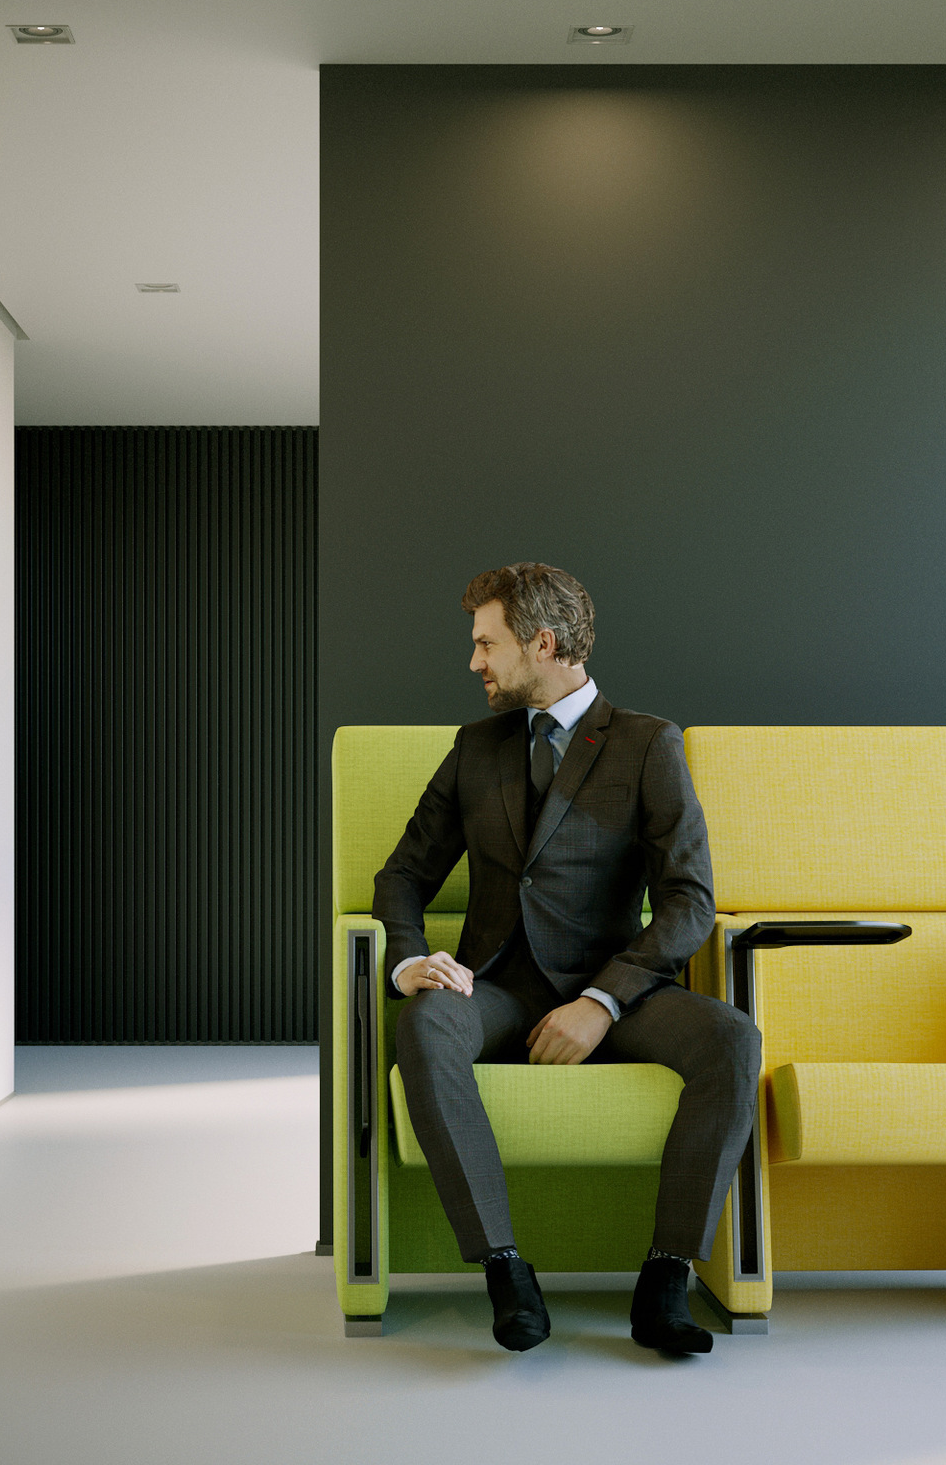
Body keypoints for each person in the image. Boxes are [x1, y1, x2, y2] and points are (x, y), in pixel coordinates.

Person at [374, 562, 758, 1355]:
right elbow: (406, 873)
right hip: (497, 986)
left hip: (617, 991)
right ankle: (505, 1271)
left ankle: (665, 1281)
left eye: (488, 644)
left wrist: (603, 1002)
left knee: (732, 1039)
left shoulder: (648, 744)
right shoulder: (475, 748)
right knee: (426, 1026)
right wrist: (409, 961)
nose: (474, 663)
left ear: (541, 643)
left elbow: (689, 900)